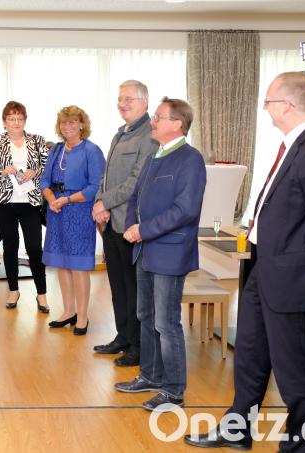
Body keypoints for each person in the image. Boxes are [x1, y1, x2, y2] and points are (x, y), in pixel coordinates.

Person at [186, 72, 305, 452]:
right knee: (249, 355)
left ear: (287, 105)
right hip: (263, 268)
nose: (265, 109)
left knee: (293, 369)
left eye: (267, 102)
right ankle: (237, 431)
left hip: (293, 280)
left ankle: (299, 445)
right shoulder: (291, 146)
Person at [114, 97, 206, 412]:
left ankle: (173, 390)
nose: (153, 121)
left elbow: (186, 210)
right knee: (146, 317)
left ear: (177, 123)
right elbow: (135, 198)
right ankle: (151, 375)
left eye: (159, 116)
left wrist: (144, 229)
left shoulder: (190, 159)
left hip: (169, 251)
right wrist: (131, 226)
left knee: (167, 323)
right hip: (145, 249)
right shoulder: (155, 155)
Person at [92, 80, 159, 366]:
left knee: (134, 290)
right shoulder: (121, 133)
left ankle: (138, 346)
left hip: (131, 225)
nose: (122, 104)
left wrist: (104, 202)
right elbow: (106, 176)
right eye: (120, 99)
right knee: (118, 286)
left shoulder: (150, 135)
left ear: (145, 102)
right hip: (110, 223)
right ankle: (122, 336)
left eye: (129, 99)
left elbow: (136, 181)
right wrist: (99, 203)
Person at [41, 106, 105, 335]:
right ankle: (68, 311)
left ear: (81, 124)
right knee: (62, 263)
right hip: (56, 211)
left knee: (78, 267)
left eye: (72, 122)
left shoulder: (91, 150)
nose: (67, 127)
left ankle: (83, 316)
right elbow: (45, 181)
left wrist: (65, 200)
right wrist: (51, 200)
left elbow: (96, 186)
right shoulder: (56, 149)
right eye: (63, 123)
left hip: (79, 211)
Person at [0, 101, 49, 312]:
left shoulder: (37, 141)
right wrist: (4, 171)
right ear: (4, 122)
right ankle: (13, 290)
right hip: (4, 203)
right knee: (10, 247)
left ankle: (42, 294)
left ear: (25, 120)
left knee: (35, 249)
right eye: (11, 119)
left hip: (30, 203)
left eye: (20, 119)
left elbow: (48, 168)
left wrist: (35, 171)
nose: (16, 123)